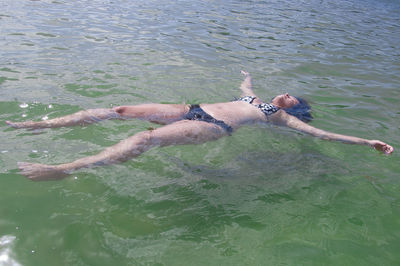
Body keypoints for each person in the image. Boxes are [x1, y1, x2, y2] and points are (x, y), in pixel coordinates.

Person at [6, 71, 394, 181]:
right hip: (190, 108)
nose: (288, 94)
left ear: (297, 108)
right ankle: (39, 125)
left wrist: (367, 140)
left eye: (295, 97)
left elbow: (323, 135)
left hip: (213, 127)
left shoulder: (282, 117)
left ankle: (65, 170)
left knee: (144, 139)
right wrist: (247, 76)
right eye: (288, 92)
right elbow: (244, 88)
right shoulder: (253, 98)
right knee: (120, 109)